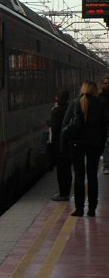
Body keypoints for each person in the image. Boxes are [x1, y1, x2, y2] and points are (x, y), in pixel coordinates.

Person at [62, 80, 108, 217]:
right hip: (94, 145)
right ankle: (92, 209)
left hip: (76, 145)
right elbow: (104, 127)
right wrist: (101, 145)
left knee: (79, 176)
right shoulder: (100, 104)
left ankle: (79, 209)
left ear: (82, 89)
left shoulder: (75, 103)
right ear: (94, 90)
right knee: (92, 176)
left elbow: (65, 124)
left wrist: (64, 145)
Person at [49, 89, 72, 201]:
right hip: (70, 143)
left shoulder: (56, 111)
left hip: (59, 144)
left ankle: (63, 193)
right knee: (68, 169)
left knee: (61, 170)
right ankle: (67, 191)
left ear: (58, 98)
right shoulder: (71, 109)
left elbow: (54, 129)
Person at [100, 76, 109, 173]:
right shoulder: (100, 96)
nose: (107, 85)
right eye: (105, 83)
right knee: (106, 144)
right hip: (104, 124)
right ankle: (106, 165)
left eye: (108, 83)